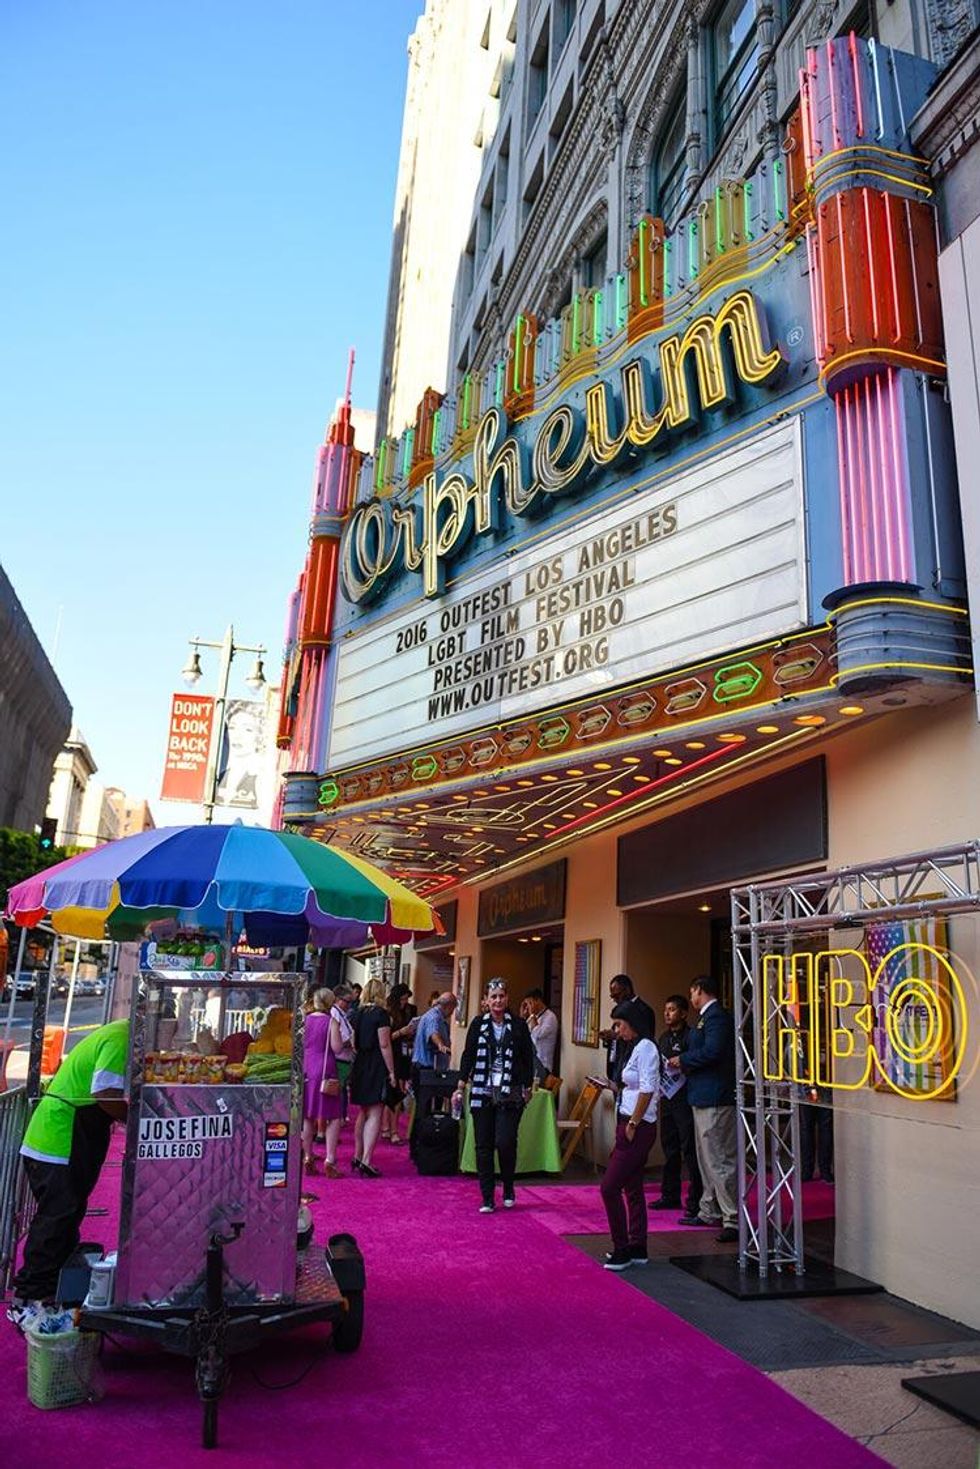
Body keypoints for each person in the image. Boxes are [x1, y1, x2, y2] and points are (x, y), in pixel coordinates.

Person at [8, 1019, 129, 1331]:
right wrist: (136, 1119)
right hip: (58, 1138)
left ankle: (55, 1287)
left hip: (66, 1137)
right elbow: (104, 1091)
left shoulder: (119, 1034)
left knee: (69, 1212)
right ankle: (30, 1298)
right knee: (57, 1216)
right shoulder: (120, 1038)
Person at [668, 974, 738, 1243]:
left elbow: (713, 1051)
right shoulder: (706, 1019)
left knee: (719, 1157)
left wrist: (683, 1060)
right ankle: (710, 1208)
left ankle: (731, 1216)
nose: (691, 997)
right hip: (702, 1095)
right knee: (706, 1157)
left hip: (715, 1097)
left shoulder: (716, 1017)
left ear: (699, 990)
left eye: (692, 991)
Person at [455, 978, 535, 1213]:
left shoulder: (519, 1025)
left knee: (505, 1141)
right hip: (482, 1089)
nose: (498, 1000)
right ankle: (487, 1196)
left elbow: (526, 1058)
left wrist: (527, 1086)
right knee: (484, 1145)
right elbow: (468, 1054)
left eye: (501, 996)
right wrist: (460, 1084)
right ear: (486, 1001)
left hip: (510, 1092)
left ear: (507, 999)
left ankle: (508, 1186)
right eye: (493, 997)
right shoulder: (478, 1024)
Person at [599, 999, 661, 1269]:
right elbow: (634, 1086)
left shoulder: (646, 1047)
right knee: (632, 1187)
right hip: (629, 1118)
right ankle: (638, 1245)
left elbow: (647, 1088)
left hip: (637, 1124)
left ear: (633, 1024)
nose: (618, 1030)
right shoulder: (635, 1048)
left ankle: (621, 1247)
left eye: (621, 1025)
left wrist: (633, 1123)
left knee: (609, 1187)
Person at [653, 994, 703, 1215]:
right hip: (667, 1099)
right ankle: (669, 1194)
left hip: (685, 1099)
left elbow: (696, 1062)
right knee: (669, 1148)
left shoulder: (692, 1037)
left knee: (689, 1149)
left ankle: (695, 1199)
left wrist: (682, 1063)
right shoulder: (662, 1038)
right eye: (666, 1009)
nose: (667, 1013)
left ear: (683, 1013)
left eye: (672, 1009)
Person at [349, 978, 397, 1177]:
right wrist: (392, 1071)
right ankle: (367, 1159)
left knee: (363, 1111)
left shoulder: (356, 1014)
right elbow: (384, 1044)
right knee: (376, 1111)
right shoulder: (381, 1014)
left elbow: (352, 1042)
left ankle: (358, 1155)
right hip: (376, 1063)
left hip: (360, 1062)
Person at [599, 975, 655, 1090]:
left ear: (627, 990)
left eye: (616, 995)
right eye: (612, 996)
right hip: (617, 1064)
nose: (614, 999)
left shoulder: (643, 1010)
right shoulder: (619, 1010)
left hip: (631, 1068)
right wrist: (610, 1038)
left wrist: (617, 1036)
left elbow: (643, 1037)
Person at [302, 987, 336, 1174]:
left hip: (306, 1067)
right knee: (332, 1116)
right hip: (325, 1069)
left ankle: (308, 1156)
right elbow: (337, 1047)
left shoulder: (304, 1021)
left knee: (307, 1114)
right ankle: (330, 1159)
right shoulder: (331, 1022)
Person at [383, 982, 417, 1144]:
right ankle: (391, 1129)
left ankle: (388, 1128)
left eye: (406, 999)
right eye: (402, 999)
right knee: (393, 1092)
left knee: (397, 1091)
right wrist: (401, 1032)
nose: (405, 1003)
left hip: (404, 1054)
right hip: (393, 1054)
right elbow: (385, 1038)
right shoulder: (388, 1014)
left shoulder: (410, 1010)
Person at [525, 987, 559, 1077]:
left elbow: (537, 1035)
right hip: (532, 1063)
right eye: (527, 1004)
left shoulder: (550, 1018)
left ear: (538, 1001)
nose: (528, 1007)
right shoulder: (532, 1018)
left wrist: (532, 1016)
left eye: (530, 1003)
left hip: (543, 1065)